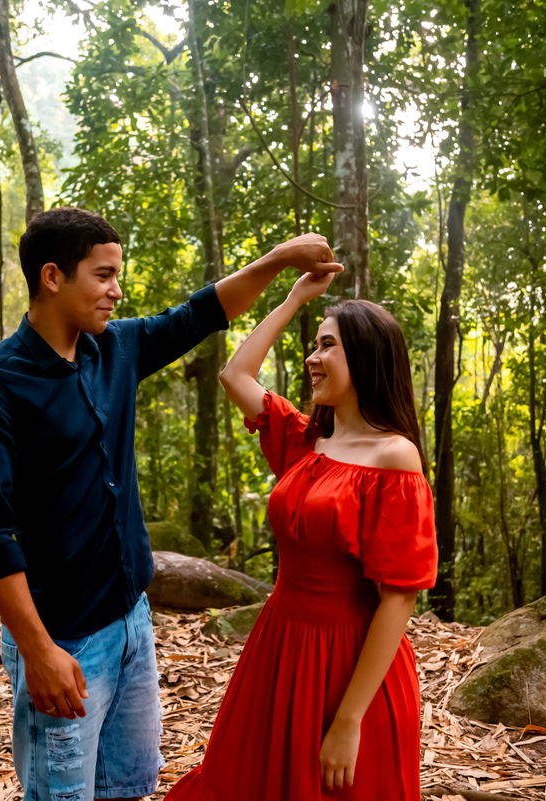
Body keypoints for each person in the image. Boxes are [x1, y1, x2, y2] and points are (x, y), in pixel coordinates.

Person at [0, 206, 342, 801]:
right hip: (63, 639)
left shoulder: (115, 349)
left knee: (128, 788)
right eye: (103, 275)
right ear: (52, 277)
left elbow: (201, 313)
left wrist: (281, 260)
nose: (116, 290)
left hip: (131, 618)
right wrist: (38, 650)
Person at [165, 271, 438, 801]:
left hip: (349, 665)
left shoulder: (394, 457)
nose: (313, 358)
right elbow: (235, 374)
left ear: (366, 357)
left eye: (327, 346)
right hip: (278, 650)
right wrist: (294, 297)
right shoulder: (306, 440)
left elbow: (399, 597)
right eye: (314, 345)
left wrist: (349, 721)